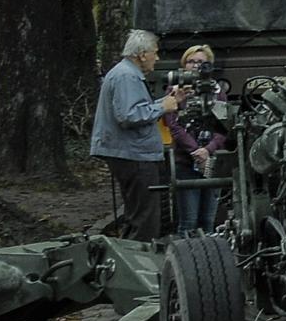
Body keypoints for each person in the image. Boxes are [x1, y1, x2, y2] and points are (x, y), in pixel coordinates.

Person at [92, 30, 188, 241]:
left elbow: (136, 108)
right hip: (133, 155)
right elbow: (128, 115)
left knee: (136, 215)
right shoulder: (127, 76)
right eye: (155, 52)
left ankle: (128, 257)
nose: (158, 57)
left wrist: (165, 102)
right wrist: (162, 107)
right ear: (142, 54)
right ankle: (140, 264)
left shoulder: (125, 73)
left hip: (130, 152)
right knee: (145, 218)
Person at [162, 43, 229, 234]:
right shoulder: (174, 91)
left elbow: (224, 126)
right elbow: (174, 125)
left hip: (212, 161)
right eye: (191, 61)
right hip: (186, 162)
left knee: (208, 220)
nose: (195, 65)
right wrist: (194, 150)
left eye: (200, 62)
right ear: (184, 64)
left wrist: (208, 149)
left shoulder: (217, 91)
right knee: (188, 220)